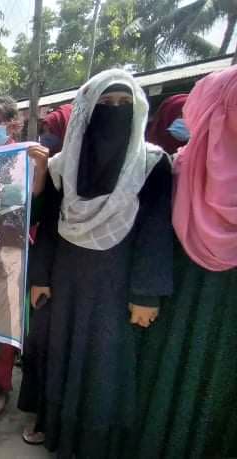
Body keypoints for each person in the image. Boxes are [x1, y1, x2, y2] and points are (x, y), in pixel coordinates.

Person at [26, 70, 172, 457]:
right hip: (66, 279)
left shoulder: (152, 165)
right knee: (59, 354)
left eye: (124, 104)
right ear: (87, 111)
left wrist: (145, 293)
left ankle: (92, 443)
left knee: (103, 364)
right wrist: (40, 275)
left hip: (116, 283)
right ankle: (53, 429)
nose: (114, 112)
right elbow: (50, 224)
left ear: (139, 111)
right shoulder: (62, 166)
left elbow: (155, 231)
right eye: (105, 105)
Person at [124, 67, 236, 459]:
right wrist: (145, 292)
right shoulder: (176, 169)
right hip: (176, 305)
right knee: (168, 389)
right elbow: (151, 236)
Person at [18, 102, 74, 441]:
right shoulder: (54, 168)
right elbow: (36, 217)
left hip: (95, 278)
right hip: (51, 271)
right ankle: (43, 414)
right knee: (43, 343)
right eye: (46, 130)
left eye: (56, 130)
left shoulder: (130, 168)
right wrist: (39, 178)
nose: (49, 137)